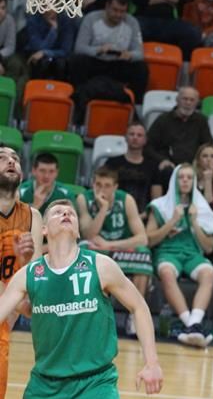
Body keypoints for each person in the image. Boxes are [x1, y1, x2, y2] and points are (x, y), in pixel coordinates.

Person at [0, 200, 163, 397]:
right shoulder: (28, 274)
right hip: (44, 384)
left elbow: (139, 306)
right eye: (57, 212)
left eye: (71, 213)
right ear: (43, 229)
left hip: (95, 382)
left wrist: (152, 363)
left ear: (78, 232)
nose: (65, 214)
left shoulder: (101, 266)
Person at [146, 164, 213, 348]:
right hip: (168, 253)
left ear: (194, 182)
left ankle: (193, 324)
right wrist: (172, 221)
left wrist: (194, 222)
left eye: (189, 177)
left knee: (209, 273)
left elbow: (209, 247)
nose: (185, 181)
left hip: (193, 254)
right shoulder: (160, 206)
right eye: (181, 177)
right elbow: (149, 240)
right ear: (174, 181)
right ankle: (191, 326)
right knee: (167, 273)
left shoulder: (202, 208)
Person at [77, 166, 151, 337]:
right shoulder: (83, 199)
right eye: (98, 184)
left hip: (116, 248)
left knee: (143, 253)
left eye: (107, 185)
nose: (102, 189)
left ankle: (135, 316)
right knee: (82, 250)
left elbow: (142, 238)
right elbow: (88, 234)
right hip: (96, 250)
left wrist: (110, 245)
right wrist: (103, 209)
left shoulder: (126, 200)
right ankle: (88, 317)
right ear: (93, 184)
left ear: (115, 187)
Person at [0, 146, 43, 397]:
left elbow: (33, 281)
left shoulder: (32, 216)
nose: (10, 161)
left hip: (7, 313)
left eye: (15, 158)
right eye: (2, 158)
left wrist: (23, 259)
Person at [71, 0, 149, 102]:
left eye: (122, 11)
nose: (118, 15)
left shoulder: (132, 22)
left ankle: (135, 104)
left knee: (141, 68)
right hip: (96, 61)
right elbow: (79, 48)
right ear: (107, 6)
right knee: (77, 61)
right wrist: (98, 50)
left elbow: (139, 53)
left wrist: (130, 55)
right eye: (115, 10)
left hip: (119, 64)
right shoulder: (91, 19)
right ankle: (78, 99)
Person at [146, 86, 213, 171]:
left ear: (197, 103)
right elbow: (148, 146)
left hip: (193, 166)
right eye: (185, 99)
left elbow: (208, 145)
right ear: (177, 100)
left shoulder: (201, 121)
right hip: (168, 165)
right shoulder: (163, 119)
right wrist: (162, 160)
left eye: (192, 100)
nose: (188, 103)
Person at [106, 122, 164, 219]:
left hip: (144, 217)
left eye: (139, 135)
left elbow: (156, 200)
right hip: (115, 215)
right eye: (131, 134)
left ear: (145, 140)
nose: (135, 138)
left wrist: (142, 216)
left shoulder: (153, 166)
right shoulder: (112, 163)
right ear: (125, 138)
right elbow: (104, 190)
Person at [23, 9, 77, 81]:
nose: (48, 9)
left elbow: (66, 50)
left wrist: (45, 53)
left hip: (59, 56)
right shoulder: (33, 20)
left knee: (61, 64)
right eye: (44, 5)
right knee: (38, 61)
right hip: (36, 55)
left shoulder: (66, 20)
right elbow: (38, 48)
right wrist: (53, 30)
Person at [193, 143, 213, 215]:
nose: (209, 159)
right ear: (198, 160)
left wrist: (208, 180)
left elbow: (210, 208)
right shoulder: (191, 179)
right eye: (205, 156)